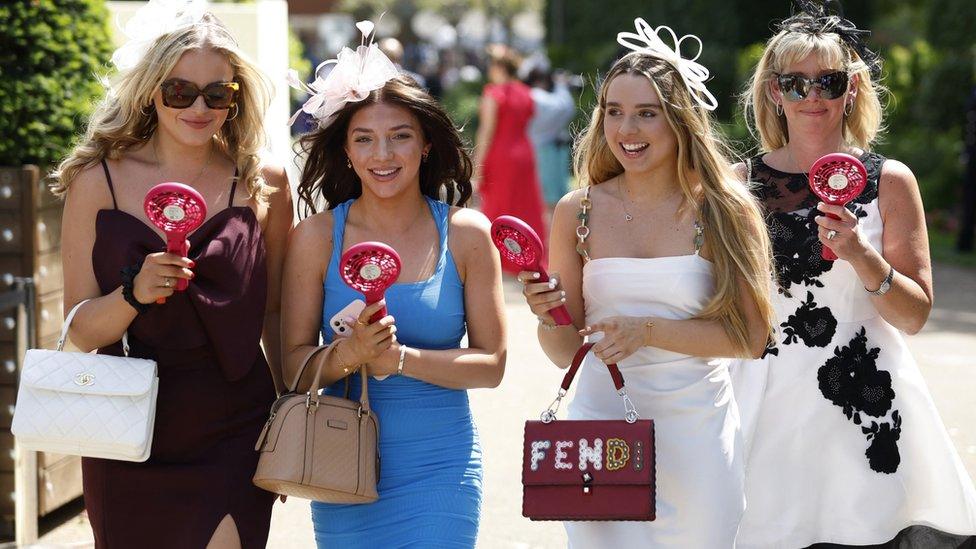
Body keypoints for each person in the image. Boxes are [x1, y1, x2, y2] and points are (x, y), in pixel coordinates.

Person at [517, 18, 776, 547]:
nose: (626, 130)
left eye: (645, 114)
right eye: (613, 112)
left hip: (696, 436)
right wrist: (548, 316)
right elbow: (565, 349)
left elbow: (751, 339)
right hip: (601, 434)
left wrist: (647, 330)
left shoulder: (726, 210)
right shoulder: (577, 211)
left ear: (679, 120)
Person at [52, 1, 293, 546]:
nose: (198, 107)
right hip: (126, 427)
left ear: (236, 98)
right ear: (151, 91)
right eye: (180, 91)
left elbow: (274, 312)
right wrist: (133, 295)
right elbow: (79, 330)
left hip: (234, 423)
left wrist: (289, 412)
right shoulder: (97, 180)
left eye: (217, 93)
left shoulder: (264, 182)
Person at [736, 3, 976, 547]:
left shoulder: (890, 180)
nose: (813, 95)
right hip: (765, 405)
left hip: (864, 402)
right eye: (795, 83)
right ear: (774, 93)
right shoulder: (739, 184)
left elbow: (914, 316)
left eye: (828, 80)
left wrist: (862, 255)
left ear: (852, 88)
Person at [281, 21, 506, 548]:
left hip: (442, 471)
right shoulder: (314, 238)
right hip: (342, 468)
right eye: (364, 139)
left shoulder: (468, 234)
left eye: (399, 136)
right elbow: (292, 368)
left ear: (426, 144)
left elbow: (493, 366)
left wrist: (399, 360)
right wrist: (348, 355)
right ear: (347, 152)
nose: (383, 155)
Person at [473, 44, 547, 270]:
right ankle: (529, 252)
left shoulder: (493, 94)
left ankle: (501, 257)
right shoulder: (526, 93)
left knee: (499, 205)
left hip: (501, 154)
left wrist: (477, 167)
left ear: (497, 66)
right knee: (525, 205)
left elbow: (486, 131)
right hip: (525, 152)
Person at [526, 66, 576, 208]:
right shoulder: (538, 96)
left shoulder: (529, 95)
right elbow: (566, 108)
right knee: (553, 199)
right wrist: (561, 86)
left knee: (547, 197)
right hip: (546, 152)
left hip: (540, 149)